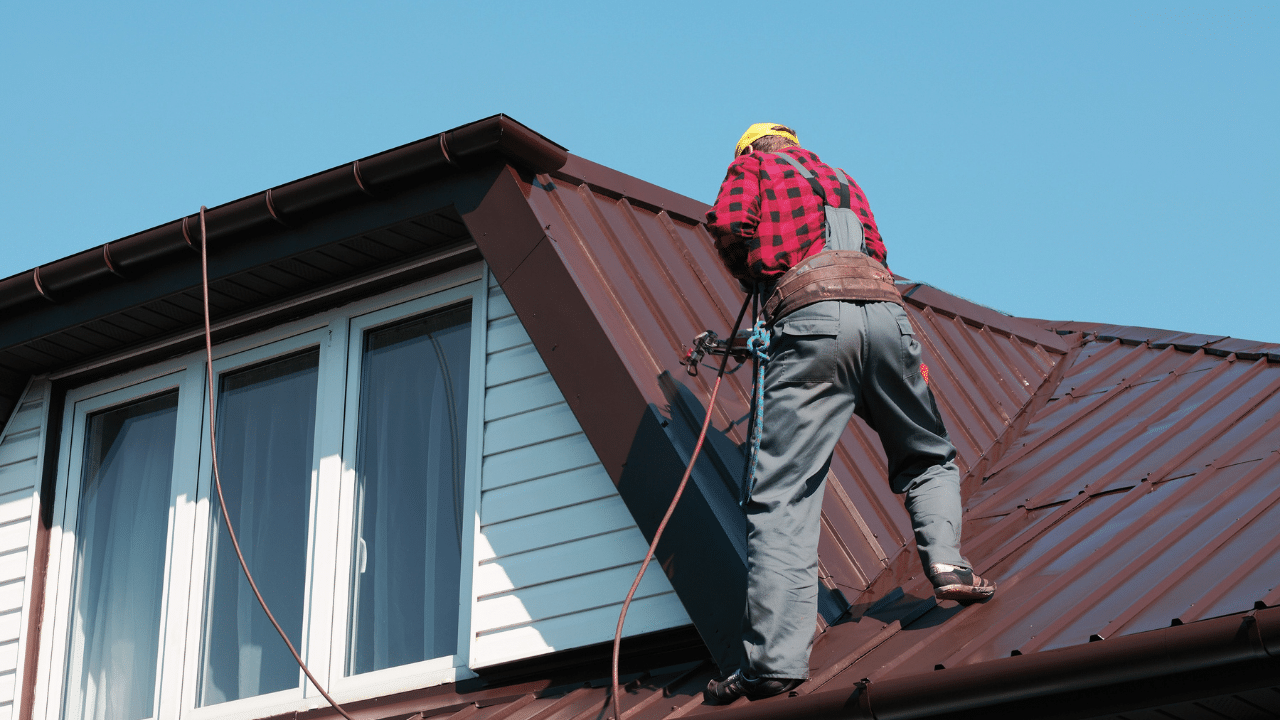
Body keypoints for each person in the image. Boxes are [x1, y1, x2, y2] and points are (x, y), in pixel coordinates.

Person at [702, 124, 995, 704]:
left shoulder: (754, 168)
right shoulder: (843, 180)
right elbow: (877, 254)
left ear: (752, 149)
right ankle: (950, 566)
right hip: (888, 318)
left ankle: (775, 663)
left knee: (781, 492)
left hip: (812, 320)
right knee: (928, 451)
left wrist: (752, 272)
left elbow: (729, 223)